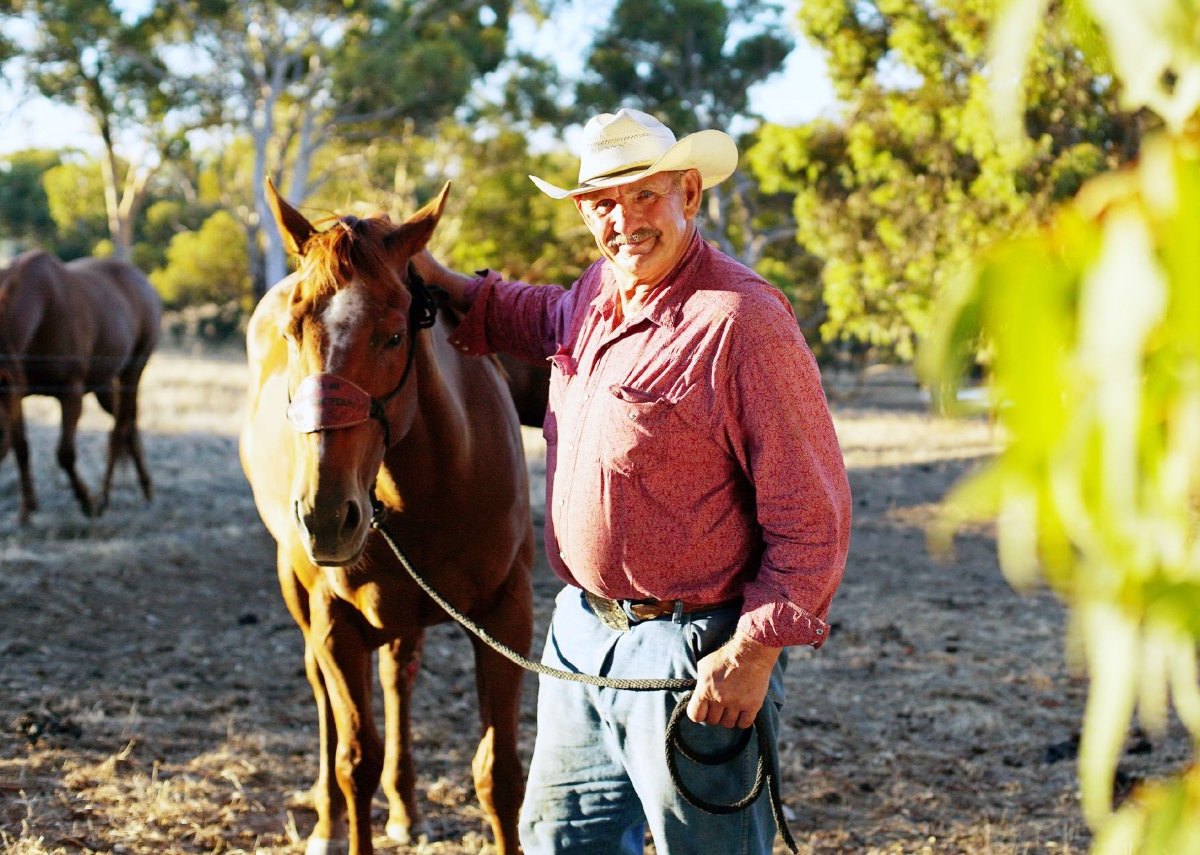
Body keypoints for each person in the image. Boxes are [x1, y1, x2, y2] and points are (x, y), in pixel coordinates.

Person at [412, 107, 852, 855]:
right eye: (602, 203)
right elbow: (544, 316)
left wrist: (752, 654)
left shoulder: (741, 321)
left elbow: (813, 513)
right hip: (581, 637)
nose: (623, 220)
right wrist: (443, 280)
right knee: (561, 841)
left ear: (690, 191)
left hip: (693, 652)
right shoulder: (594, 294)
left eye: (644, 195)